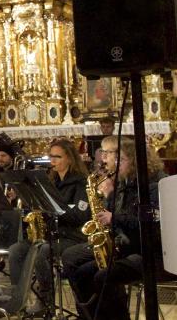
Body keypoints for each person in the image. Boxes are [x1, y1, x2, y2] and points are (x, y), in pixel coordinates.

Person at [62, 136, 167, 320]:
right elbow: (111, 214)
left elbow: (147, 223)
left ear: (134, 162)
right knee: (80, 269)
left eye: (121, 159)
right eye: (115, 158)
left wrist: (113, 218)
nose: (115, 164)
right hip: (123, 242)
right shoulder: (123, 183)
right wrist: (107, 199)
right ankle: (91, 315)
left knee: (99, 274)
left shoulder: (152, 186)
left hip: (146, 250)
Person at [6, 138, 90, 314]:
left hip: (72, 237)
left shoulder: (81, 183)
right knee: (16, 250)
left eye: (57, 157)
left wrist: (55, 210)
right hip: (52, 234)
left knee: (42, 251)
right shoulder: (51, 182)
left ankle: (45, 301)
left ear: (69, 158)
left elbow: (81, 216)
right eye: (51, 156)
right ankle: (18, 298)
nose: (52, 161)